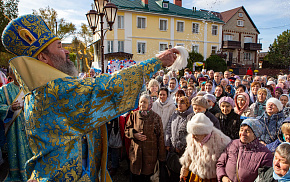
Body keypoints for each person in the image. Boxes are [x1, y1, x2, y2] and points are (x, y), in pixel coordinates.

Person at [2, 14, 178, 181]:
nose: (66, 52)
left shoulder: (39, 91)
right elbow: (107, 87)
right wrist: (156, 62)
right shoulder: (54, 90)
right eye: (59, 47)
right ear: (43, 57)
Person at [0, 67, 33, 181]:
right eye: (15, 72)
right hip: (14, 129)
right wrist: (10, 108)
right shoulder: (4, 90)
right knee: (16, 151)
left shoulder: (30, 87)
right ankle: (18, 174)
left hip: (30, 126)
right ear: (10, 74)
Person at [125, 94, 166, 182]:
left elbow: (160, 138)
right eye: (141, 102)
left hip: (150, 156)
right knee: (135, 176)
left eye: (145, 102)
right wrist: (134, 135)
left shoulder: (156, 118)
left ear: (150, 104)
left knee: (147, 177)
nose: (142, 104)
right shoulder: (134, 115)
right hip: (136, 154)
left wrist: (161, 158)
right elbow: (126, 130)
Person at [179, 113, 231, 182]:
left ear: (205, 133)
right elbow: (187, 157)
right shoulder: (191, 139)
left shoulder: (221, 142)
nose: (192, 137)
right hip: (196, 176)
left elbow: (226, 164)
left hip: (212, 179)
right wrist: (184, 171)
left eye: (196, 134)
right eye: (192, 133)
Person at [165, 96, 193, 181]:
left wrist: (180, 145)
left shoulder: (190, 116)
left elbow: (189, 134)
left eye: (182, 103)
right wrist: (167, 142)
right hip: (172, 149)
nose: (179, 105)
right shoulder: (174, 114)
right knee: (171, 172)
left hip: (182, 152)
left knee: (180, 174)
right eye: (178, 102)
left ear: (187, 104)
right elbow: (168, 128)